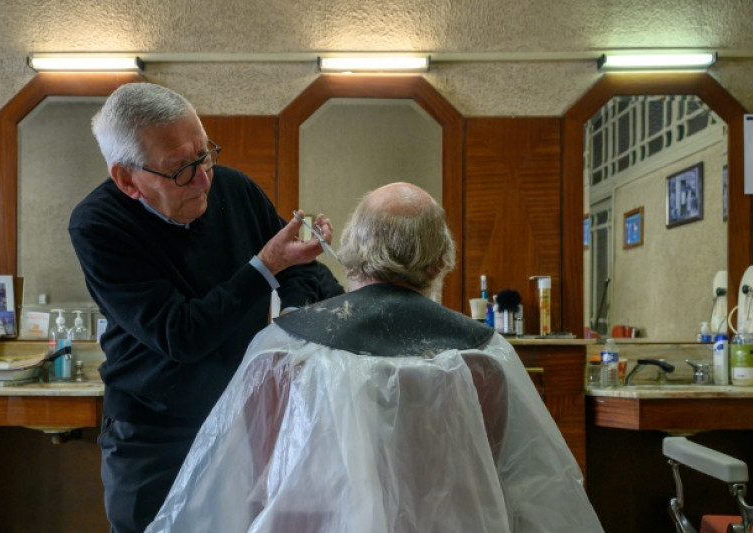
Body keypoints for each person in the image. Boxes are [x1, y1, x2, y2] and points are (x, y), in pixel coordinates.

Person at [146, 182, 604, 532]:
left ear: (349, 250)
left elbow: (257, 486)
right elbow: (508, 483)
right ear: (443, 258)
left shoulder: (284, 350)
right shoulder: (481, 357)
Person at [67, 82, 329, 533]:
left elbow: (300, 272)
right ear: (128, 179)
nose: (204, 177)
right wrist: (264, 265)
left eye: (205, 153)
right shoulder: (99, 225)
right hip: (153, 431)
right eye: (181, 170)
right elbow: (181, 334)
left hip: (242, 419)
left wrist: (293, 317)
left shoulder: (235, 189)